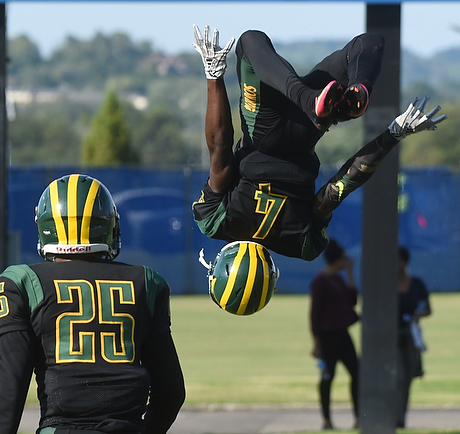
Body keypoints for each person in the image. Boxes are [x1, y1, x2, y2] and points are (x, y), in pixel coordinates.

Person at [191, 25, 447, 263]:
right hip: (263, 130)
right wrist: (214, 75)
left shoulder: (303, 246)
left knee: (370, 43)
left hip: (304, 133)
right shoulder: (216, 221)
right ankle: (310, 100)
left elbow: (338, 188)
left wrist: (392, 135)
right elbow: (220, 146)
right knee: (250, 40)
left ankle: (355, 88)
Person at [0, 174, 185, 434]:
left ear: (45, 226)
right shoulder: (146, 281)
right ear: (108, 224)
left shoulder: (22, 282)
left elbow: (9, 389)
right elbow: (171, 391)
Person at [309, 239, 359, 430]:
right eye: (344, 259)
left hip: (342, 334)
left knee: (356, 372)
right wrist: (316, 342)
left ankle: (358, 417)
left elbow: (353, 300)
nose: (346, 261)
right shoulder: (320, 282)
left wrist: (350, 274)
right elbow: (315, 314)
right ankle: (327, 420)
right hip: (327, 336)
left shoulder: (339, 279)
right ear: (337, 259)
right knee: (327, 377)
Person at [396, 245, 431, 428]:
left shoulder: (416, 284)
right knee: (397, 377)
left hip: (410, 335)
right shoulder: (385, 284)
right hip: (391, 337)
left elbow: (427, 308)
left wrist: (419, 314)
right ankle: (392, 416)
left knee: (407, 378)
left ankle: (400, 419)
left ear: (404, 262)